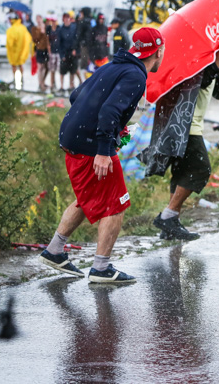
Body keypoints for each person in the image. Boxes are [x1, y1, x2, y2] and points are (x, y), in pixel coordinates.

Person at [39, 27, 166, 283]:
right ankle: (100, 268)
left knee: (87, 197)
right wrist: (104, 149)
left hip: (72, 137)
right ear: (158, 51)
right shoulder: (135, 76)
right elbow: (109, 111)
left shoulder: (113, 65)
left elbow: (77, 96)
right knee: (117, 203)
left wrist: (108, 131)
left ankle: (54, 250)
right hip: (90, 147)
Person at [142, 37, 219, 240]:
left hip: (185, 123)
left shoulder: (204, 57)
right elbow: (201, 81)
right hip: (186, 125)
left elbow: (211, 83)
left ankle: (171, 225)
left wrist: (218, 65)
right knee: (201, 169)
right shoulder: (194, 57)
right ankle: (168, 216)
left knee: (181, 171)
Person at [5, 12, 32, 89]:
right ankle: (21, 80)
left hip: (14, 52)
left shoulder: (11, 29)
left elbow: (10, 43)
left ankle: (15, 80)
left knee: (14, 66)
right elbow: (28, 39)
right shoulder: (23, 28)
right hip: (21, 51)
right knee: (20, 65)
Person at [57, 13, 81, 92]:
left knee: (73, 70)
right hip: (64, 52)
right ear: (63, 20)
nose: (67, 20)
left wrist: (75, 50)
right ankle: (61, 86)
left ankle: (71, 85)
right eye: (65, 18)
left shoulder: (74, 28)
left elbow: (76, 40)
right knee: (62, 71)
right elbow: (59, 43)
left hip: (72, 52)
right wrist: (61, 55)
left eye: (68, 18)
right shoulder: (61, 29)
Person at [30, 15, 51, 92]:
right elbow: (35, 39)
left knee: (47, 67)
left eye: (40, 19)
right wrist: (41, 32)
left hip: (45, 50)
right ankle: (40, 84)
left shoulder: (46, 27)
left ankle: (43, 81)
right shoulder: (34, 28)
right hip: (39, 49)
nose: (39, 20)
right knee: (40, 67)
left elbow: (48, 38)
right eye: (37, 19)